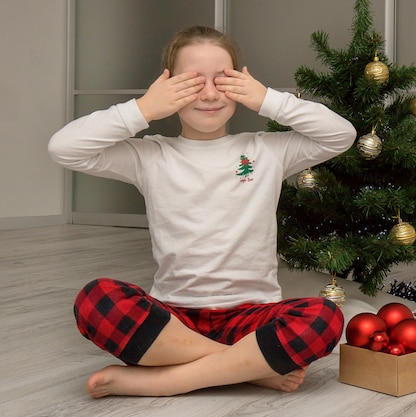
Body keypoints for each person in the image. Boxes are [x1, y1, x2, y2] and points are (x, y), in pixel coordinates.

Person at [48, 26, 356, 399]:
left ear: (240, 84)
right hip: (174, 321)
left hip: (252, 315)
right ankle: (247, 369)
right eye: (192, 82)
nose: (209, 94)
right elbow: (64, 148)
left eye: (222, 80)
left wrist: (268, 100)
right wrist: (142, 108)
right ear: (168, 86)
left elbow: (341, 135)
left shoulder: (268, 151)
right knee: (96, 300)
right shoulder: (150, 155)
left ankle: (165, 381)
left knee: (326, 317)